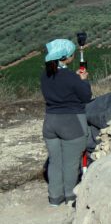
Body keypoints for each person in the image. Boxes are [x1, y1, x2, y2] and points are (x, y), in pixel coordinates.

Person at [40, 38, 92, 207]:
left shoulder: (45, 75)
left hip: (50, 123)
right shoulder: (71, 77)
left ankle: (54, 198)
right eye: (71, 54)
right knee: (71, 163)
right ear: (66, 57)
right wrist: (83, 80)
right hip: (71, 123)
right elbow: (86, 97)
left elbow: (59, 85)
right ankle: (71, 197)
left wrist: (75, 79)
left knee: (55, 162)